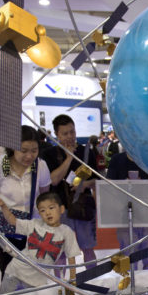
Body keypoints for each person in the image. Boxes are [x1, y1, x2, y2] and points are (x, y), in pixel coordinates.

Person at [0, 125, 52, 279]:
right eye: (24, 150)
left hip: (32, 228)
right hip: (6, 230)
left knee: (33, 273)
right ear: (13, 148)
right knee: (8, 273)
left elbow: (44, 192)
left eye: (34, 150)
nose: (29, 156)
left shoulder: (40, 166)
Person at [0, 192, 80, 294]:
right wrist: (3, 206)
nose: (47, 213)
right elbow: (12, 221)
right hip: (15, 272)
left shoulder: (66, 232)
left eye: (51, 208)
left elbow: (71, 257)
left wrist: (73, 279)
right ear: (39, 213)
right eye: (43, 210)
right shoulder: (34, 224)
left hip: (38, 281)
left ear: (61, 209)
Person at [41, 114, 99, 265]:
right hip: (59, 209)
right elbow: (53, 180)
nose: (70, 136)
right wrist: (69, 158)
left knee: (88, 248)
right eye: (65, 133)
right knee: (59, 253)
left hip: (83, 206)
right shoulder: (49, 154)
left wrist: (86, 184)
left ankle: (92, 281)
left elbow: (97, 180)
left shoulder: (86, 152)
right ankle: (61, 287)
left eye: (72, 132)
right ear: (57, 135)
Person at [106, 148, 148, 269]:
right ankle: (129, 285)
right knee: (128, 256)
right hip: (124, 214)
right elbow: (108, 187)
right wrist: (125, 185)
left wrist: (142, 185)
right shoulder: (116, 160)